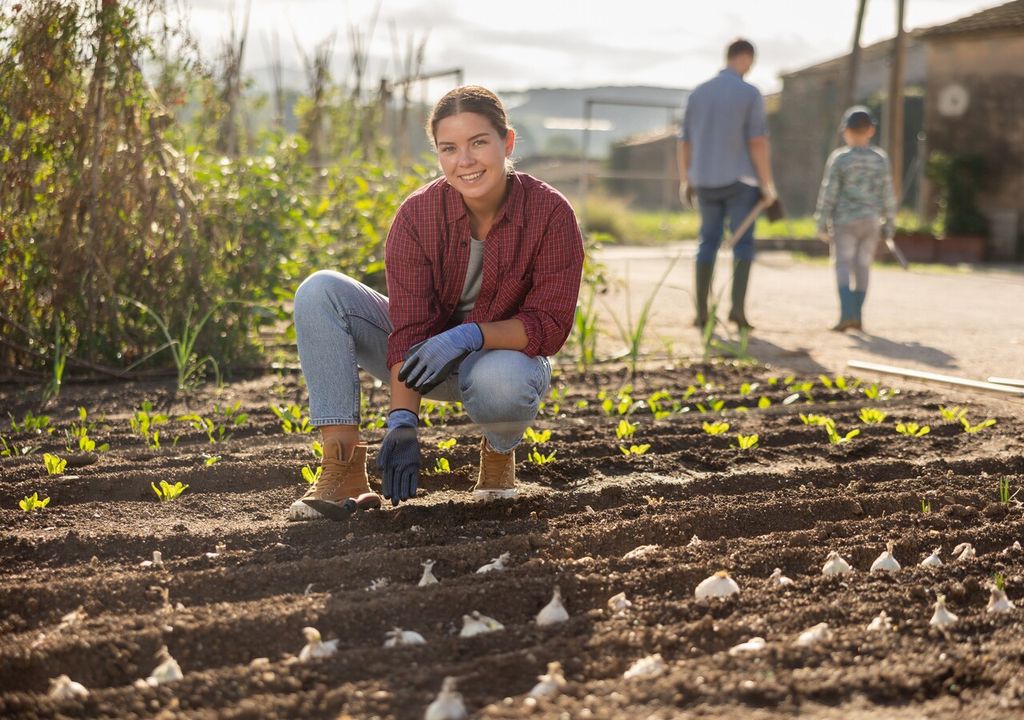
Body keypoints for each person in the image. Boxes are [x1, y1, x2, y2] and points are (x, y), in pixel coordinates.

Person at [287, 85, 585, 521]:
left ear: (507, 142)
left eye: (478, 142)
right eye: (449, 148)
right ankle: (344, 467)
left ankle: (499, 454)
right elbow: (407, 328)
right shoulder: (417, 215)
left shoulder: (550, 213)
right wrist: (402, 422)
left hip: (498, 363)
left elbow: (549, 325)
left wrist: (472, 333)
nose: (464, 160)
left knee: (501, 379)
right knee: (320, 290)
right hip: (425, 360)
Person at [677, 38, 776, 331]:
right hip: (740, 182)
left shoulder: (697, 93)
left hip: (704, 181)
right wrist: (767, 183)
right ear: (745, 58)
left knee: (707, 242)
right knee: (743, 243)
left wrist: (686, 179)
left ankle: (702, 314)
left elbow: (683, 142)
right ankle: (738, 312)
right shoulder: (749, 93)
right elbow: (757, 142)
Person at [814, 106, 896, 332]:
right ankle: (858, 316)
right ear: (871, 131)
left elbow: (829, 191)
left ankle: (846, 313)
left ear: (846, 132)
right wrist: (890, 222)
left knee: (842, 264)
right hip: (871, 221)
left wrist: (821, 220)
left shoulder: (840, 158)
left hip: (845, 220)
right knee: (863, 265)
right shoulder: (880, 159)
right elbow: (887, 192)